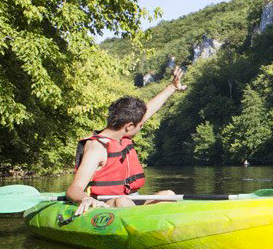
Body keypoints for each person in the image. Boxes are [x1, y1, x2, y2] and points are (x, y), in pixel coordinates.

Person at [67, 67, 187, 216]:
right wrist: (85, 199)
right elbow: (74, 189)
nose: (142, 126)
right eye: (140, 125)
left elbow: (148, 110)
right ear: (129, 126)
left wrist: (172, 87)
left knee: (168, 194)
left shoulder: (122, 135)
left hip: (130, 201)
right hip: (107, 204)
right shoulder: (97, 148)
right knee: (123, 201)